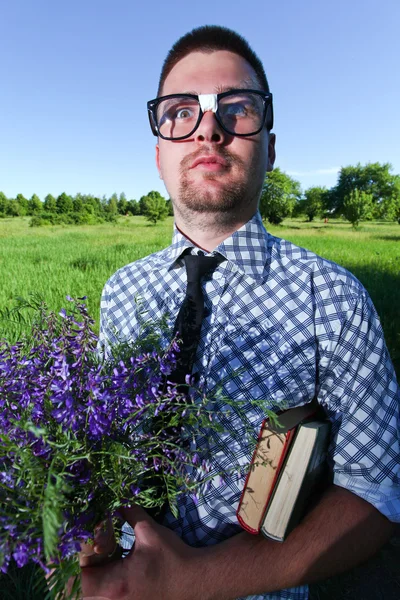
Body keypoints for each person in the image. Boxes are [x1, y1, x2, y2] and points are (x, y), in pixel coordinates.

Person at [81, 25, 399, 600]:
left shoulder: (334, 300)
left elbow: (373, 496)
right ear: (159, 155)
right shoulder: (118, 292)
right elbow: (106, 446)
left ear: (270, 147)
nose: (210, 127)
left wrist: (190, 580)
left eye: (238, 107)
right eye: (182, 112)